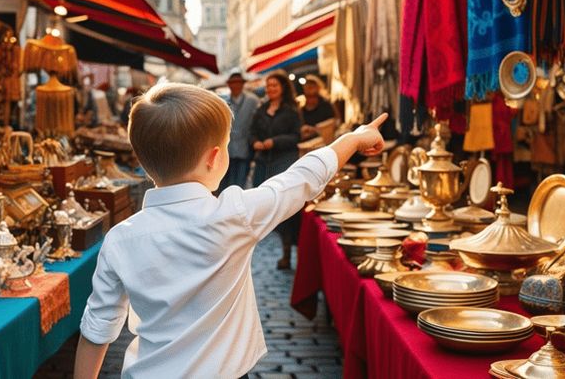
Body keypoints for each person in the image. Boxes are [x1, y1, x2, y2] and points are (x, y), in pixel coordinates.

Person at [73, 82, 387, 378]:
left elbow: (97, 329)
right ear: (214, 158)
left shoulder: (119, 240)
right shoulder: (234, 214)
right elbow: (301, 179)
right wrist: (355, 138)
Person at [250, 72, 303, 269]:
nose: (270, 89)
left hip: (284, 161)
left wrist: (275, 142)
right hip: (264, 162)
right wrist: (254, 142)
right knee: (263, 202)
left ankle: (287, 250)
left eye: (274, 86)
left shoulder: (291, 110)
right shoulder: (261, 109)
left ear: (282, 88)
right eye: (268, 85)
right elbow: (252, 132)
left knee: (284, 208)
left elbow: (296, 137)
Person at [218, 72, 259, 191]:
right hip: (227, 148)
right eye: (232, 83)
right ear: (229, 85)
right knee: (224, 182)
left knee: (240, 182)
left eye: (238, 83)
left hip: (245, 147)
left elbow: (257, 123)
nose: (235, 86)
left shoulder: (253, 100)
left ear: (243, 84)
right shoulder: (223, 100)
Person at [300, 74, 338, 140]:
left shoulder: (327, 104)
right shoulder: (301, 109)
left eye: (312, 84)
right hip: (308, 142)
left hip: (326, 140)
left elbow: (336, 121)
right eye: (307, 84)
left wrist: (316, 129)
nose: (309, 87)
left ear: (318, 87)